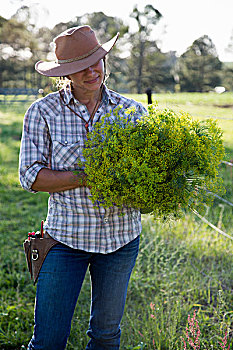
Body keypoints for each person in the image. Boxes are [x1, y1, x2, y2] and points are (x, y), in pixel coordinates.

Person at [19, 25, 147, 350]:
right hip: (65, 240)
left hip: (121, 240)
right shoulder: (42, 112)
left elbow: (147, 181)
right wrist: (89, 175)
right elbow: (31, 176)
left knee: (106, 337)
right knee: (48, 341)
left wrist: (156, 188)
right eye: (79, 67)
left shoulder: (133, 112)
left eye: (96, 61)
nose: (91, 71)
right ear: (65, 74)